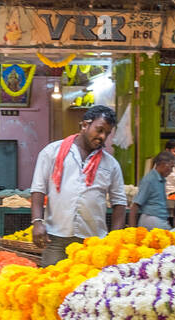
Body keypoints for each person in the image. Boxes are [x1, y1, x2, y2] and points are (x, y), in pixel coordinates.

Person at [30, 104, 127, 267]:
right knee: (51, 285)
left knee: (88, 288)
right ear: (84, 125)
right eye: (99, 130)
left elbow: (120, 202)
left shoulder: (111, 164)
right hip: (55, 239)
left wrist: (114, 238)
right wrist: (37, 222)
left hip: (93, 243)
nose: (103, 137)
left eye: (107, 133)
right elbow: (38, 189)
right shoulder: (52, 152)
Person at [129, 151, 175, 229]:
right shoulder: (149, 180)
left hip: (158, 220)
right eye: (171, 166)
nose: (172, 170)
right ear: (163, 164)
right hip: (152, 221)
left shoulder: (160, 179)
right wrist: (132, 230)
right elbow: (135, 205)